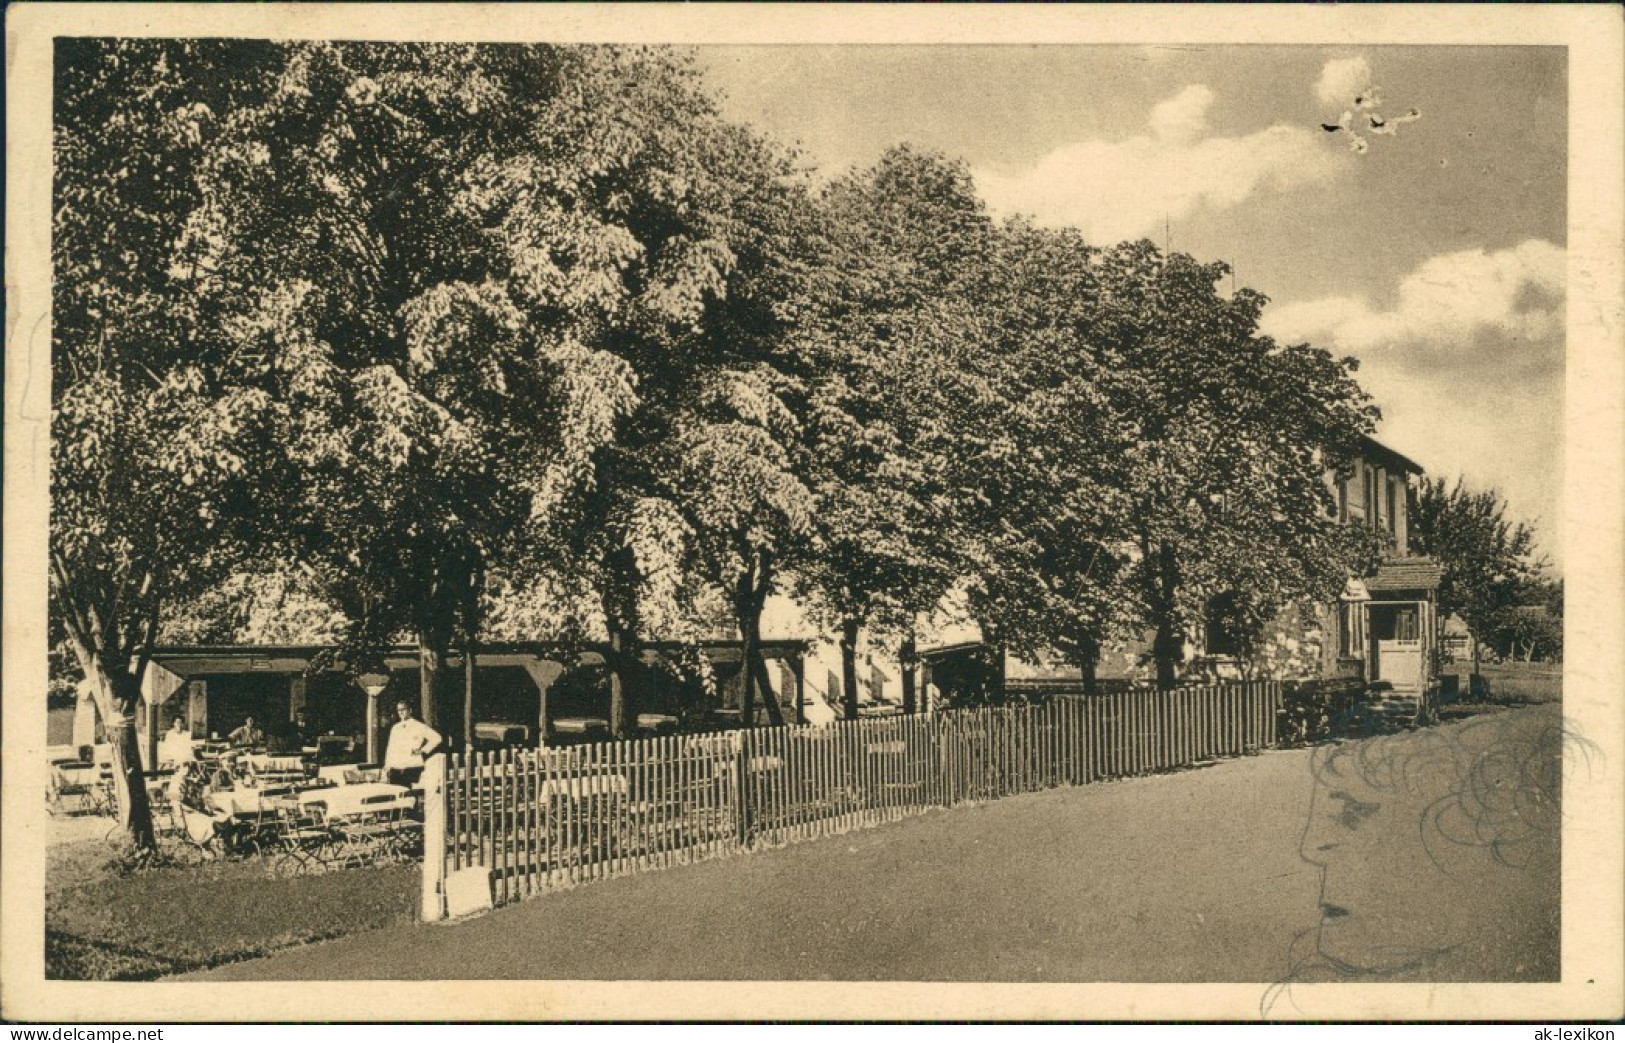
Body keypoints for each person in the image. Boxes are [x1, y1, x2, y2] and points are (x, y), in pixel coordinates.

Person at [381, 700, 442, 787]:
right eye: (399, 710)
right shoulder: (395, 728)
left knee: (409, 792)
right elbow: (390, 747)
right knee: (397, 791)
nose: (401, 712)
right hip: (396, 766)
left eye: (403, 709)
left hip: (411, 765)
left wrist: (422, 750)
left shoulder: (419, 726)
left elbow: (437, 738)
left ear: (410, 710)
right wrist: (387, 765)